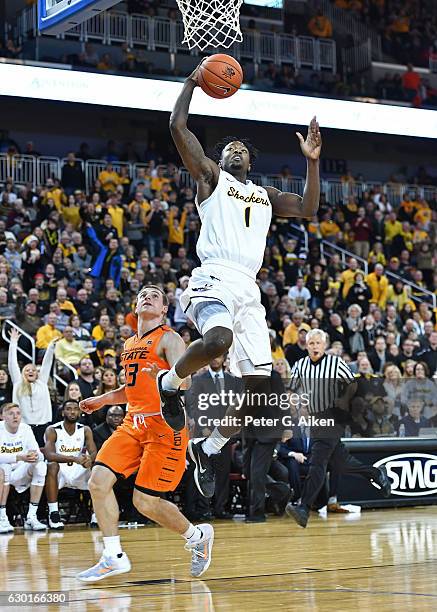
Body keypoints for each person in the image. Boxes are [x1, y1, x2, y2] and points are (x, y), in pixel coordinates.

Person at [159, 61, 321, 499]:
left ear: (250, 160)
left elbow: (307, 209)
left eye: (240, 149)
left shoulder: (264, 195)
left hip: (249, 289)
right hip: (213, 275)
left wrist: (312, 163)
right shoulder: (211, 179)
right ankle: (171, 384)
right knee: (217, 341)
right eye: (228, 147)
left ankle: (207, 450)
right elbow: (177, 125)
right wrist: (192, 82)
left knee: (255, 388)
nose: (233, 151)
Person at [76, 285, 214, 582]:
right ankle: (112, 556)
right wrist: (102, 399)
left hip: (165, 426)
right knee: (97, 482)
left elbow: (186, 382)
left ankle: (197, 536)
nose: (147, 297)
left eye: (155, 296)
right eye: (142, 295)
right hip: (133, 422)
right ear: (135, 306)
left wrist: (164, 376)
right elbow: (132, 389)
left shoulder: (170, 338)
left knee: (144, 501)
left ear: (164, 309)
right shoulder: (128, 344)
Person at [285, 329, 391, 528]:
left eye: (318, 343)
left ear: (324, 345)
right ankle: (376, 473)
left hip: (332, 417)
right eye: (311, 343)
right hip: (315, 419)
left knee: (317, 463)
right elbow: (291, 390)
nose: (315, 346)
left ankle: (304, 507)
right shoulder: (299, 365)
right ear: (306, 345)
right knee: (341, 463)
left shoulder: (336, 363)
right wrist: (299, 407)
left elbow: (352, 384)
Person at [43, 399, 97, 529]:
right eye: (69, 409)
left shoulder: (85, 429)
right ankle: (54, 514)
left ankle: (96, 514)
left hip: (78, 470)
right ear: (62, 413)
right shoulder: (52, 429)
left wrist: (89, 459)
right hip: (59, 472)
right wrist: (73, 458)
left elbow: (94, 451)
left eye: (75, 409)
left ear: (79, 412)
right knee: (52, 465)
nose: (72, 411)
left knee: (97, 468)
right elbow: (49, 454)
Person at [0, 403, 47, 532]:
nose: (15, 417)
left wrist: (35, 456)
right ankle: (2, 517)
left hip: (20, 472)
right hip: (3, 474)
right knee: (4, 468)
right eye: (11, 414)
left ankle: (32, 516)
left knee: (41, 466)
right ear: (2, 416)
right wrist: (19, 457)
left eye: (18, 413)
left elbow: (39, 454)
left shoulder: (25, 429)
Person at [8, 328, 57, 446]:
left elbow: (47, 363)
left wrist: (51, 347)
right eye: (27, 370)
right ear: (22, 373)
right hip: (24, 427)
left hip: (42, 426)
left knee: (43, 455)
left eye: (33, 370)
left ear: (37, 373)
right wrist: (13, 342)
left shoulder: (42, 383)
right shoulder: (18, 383)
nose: (30, 372)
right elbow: (12, 363)